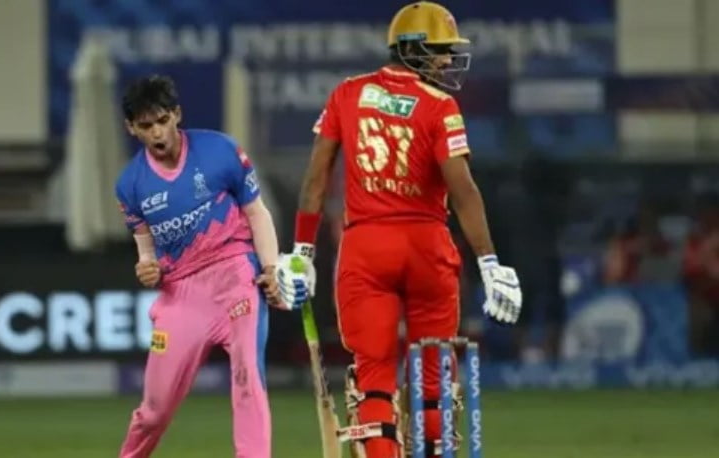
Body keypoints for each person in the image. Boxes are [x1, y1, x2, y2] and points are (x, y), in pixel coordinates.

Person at [275, 2, 522, 457]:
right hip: (427, 246)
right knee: (432, 376)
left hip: (365, 247)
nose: (447, 61)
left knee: (374, 376)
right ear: (413, 49)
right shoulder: (440, 106)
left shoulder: (347, 94)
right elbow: (463, 189)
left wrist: (302, 253)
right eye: (441, 51)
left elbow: (315, 180)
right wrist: (490, 262)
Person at [114, 75, 285, 458]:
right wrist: (146, 267)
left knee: (247, 378)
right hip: (181, 295)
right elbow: (145, 250)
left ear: (177, 114)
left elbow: (257, 213)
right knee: (154, 412)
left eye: (162, 120)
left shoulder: (221, 150)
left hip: (235, 276)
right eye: (146, 125)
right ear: (132, 128)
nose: (157, 133)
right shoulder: (130, 185)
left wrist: (271, 268)